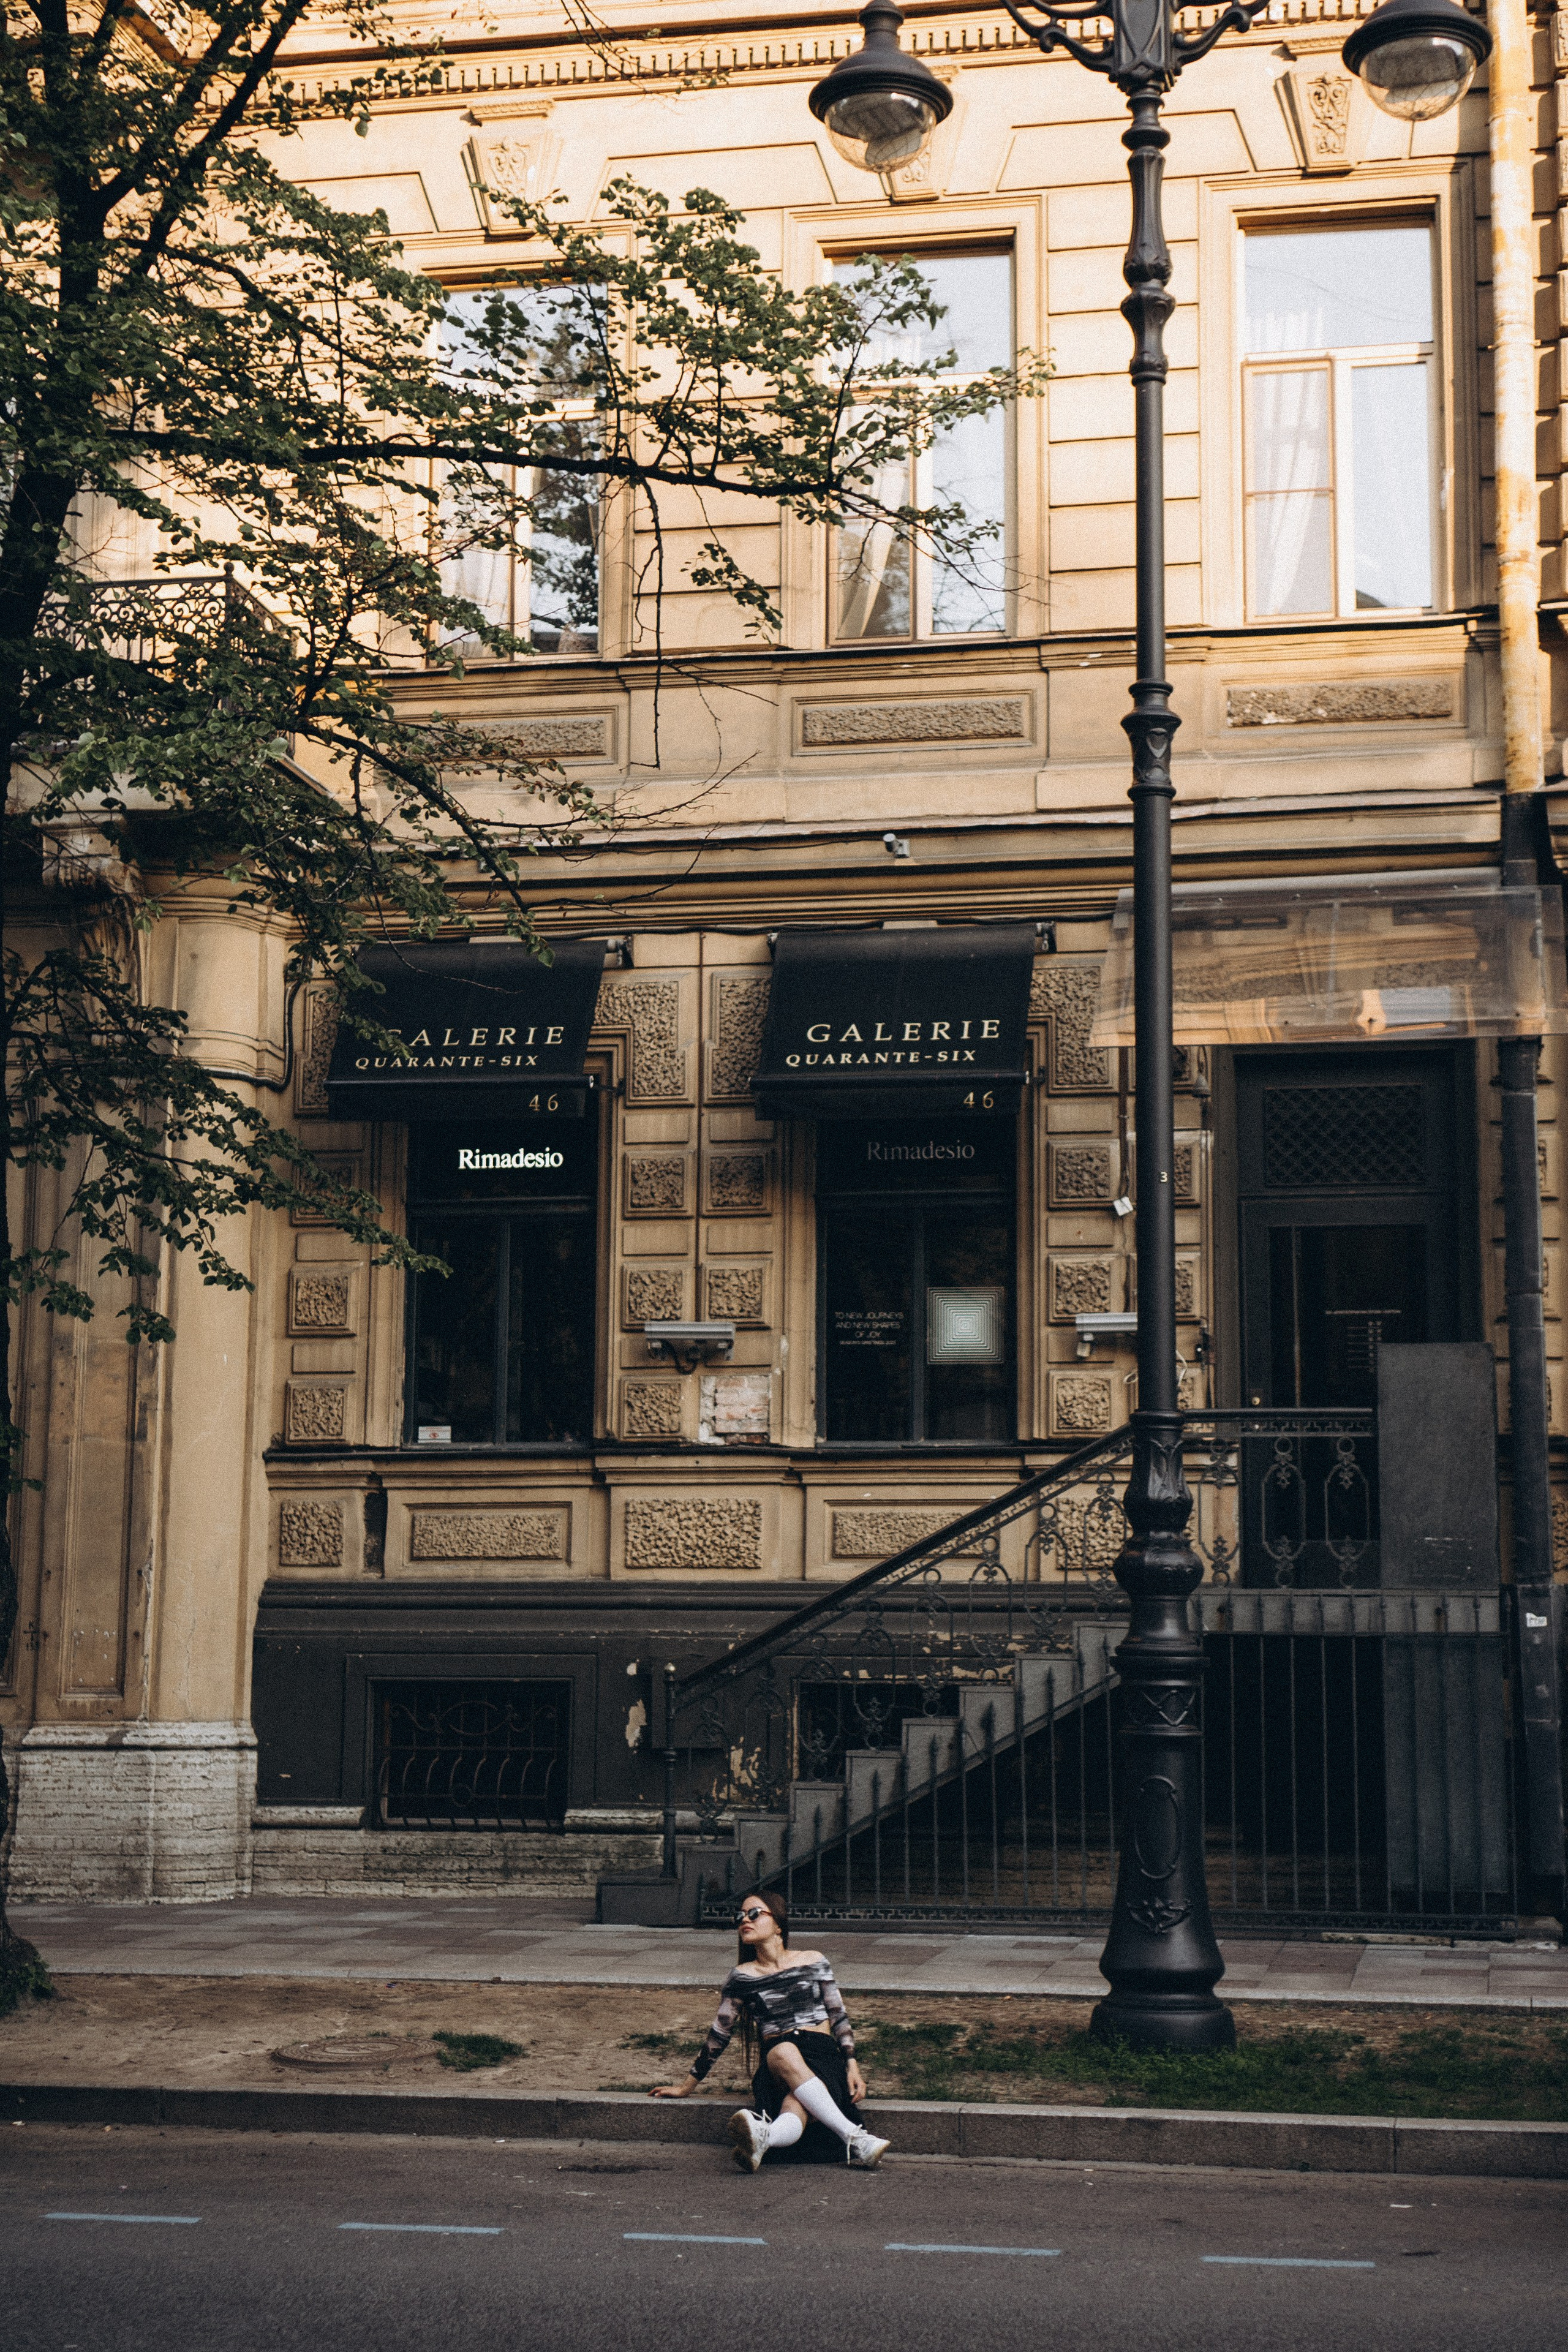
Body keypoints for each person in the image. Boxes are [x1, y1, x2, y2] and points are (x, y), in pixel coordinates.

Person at [650, 1888, 890, 2172]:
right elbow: (720, 2035)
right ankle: (857, 2138)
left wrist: (852, 2065)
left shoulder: (813, 1960)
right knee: (785, 2050)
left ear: (778, 1924)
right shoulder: (742, 1977)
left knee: (796, 2104)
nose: (744, 1920)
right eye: (740, 1916)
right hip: (777, 2061)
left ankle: (765, 2138)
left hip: (822, 2055)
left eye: (754, 1914)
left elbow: (838, 2016)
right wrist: (686, 2087)